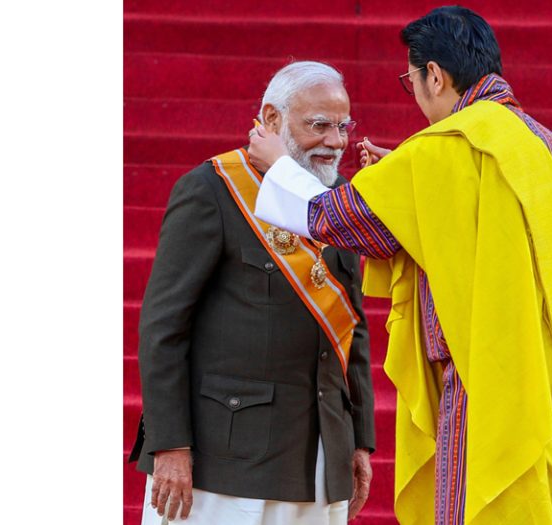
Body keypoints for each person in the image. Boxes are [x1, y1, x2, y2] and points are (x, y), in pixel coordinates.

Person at [247, 7, 552, 525]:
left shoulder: (447, 149)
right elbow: (497, 236)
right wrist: (411, 186)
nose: (412, 93)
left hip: (488, 378)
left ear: (434, 74)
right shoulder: (547, 147)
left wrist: (279, 163)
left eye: (409, 80)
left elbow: (333, 218)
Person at [128, 61, 376, 525]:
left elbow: (351, 330)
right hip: (223, 462)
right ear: (273, 119)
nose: (335, 141)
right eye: (318, 125)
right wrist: (171, 446)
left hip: (320, 458)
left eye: (342, 126)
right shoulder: (212, 191)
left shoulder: (337, 201)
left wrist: (358, 441)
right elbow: (164, 326)